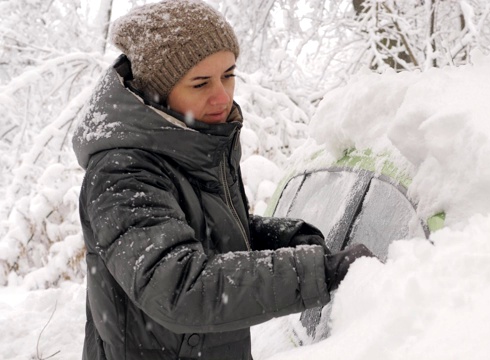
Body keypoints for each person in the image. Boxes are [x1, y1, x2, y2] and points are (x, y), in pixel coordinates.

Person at [71, 1, 374, 359]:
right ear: (157, 90)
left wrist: (280, 240)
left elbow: (204, 232)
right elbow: (180, 286)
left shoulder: (193, 140)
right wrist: (316, 272)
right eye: (200, 83)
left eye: (228, 75)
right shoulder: (122, 173)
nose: (222, 96)